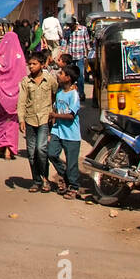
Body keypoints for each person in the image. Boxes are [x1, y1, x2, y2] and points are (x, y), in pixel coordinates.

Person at [17, 49, 56, 192]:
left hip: (44, 119)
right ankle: (36, 180)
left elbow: (55, 93)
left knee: (41, 149)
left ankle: (45, 178)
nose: (31, 66)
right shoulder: (26, 82)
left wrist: (53, 112)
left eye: (34, 64)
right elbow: (21, 101)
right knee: (32, 152)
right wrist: (21, 119)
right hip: (30, 120)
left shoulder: (49, 79)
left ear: (41, 64)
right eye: (29, 64)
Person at [47, 64, 86, 199]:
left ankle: (74, 187)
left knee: (72, 163)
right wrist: (51, 130)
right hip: (58, 131)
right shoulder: (59, 92)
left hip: (71, 134)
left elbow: (71, 115)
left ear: (68, 78)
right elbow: (57, 109)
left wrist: (55, 116)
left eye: (61, 73)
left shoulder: (74, 94)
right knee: (51, 153)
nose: (59, 75)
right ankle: (63, 174)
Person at [0, 31, 24, 161]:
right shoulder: (19, 58)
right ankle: (9, 150)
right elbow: (22, 77)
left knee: (0, 120)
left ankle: (0, 147)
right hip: (14, 96)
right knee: (12, 123)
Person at [62, 16, 89, 100]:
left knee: (80, 75)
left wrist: (87, 55)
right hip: (71, 56)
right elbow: (64, 42)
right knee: (71, 75)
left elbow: (87, 42)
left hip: (80, 56)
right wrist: (62, 53)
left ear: (75, 24)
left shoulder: (83, 29)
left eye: (72, 26)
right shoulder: (67, 31)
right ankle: (72, 93)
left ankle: (81, 93)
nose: (71, 28)